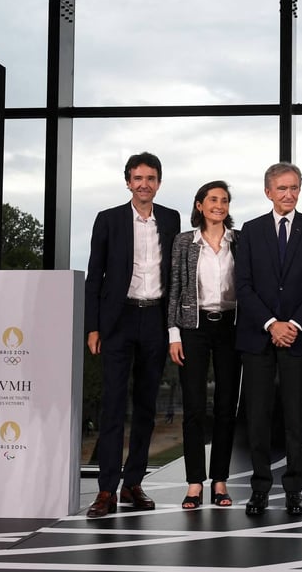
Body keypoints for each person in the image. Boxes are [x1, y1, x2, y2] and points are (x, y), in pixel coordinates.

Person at [84, 152, 182, 518]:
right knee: (112, 405)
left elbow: (176, 272)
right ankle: (106, 489)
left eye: (151, 178)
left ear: (158, 182)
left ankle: (133, 484)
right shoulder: (108, 220)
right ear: (128, 182)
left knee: (145, 406)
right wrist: (93, 325)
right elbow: (96, 276)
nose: (144, 184)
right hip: (118, 320)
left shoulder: (170, 219)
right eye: (138, 178)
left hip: (155, 319)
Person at [234, 162, 302, 516]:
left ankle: (294, 489)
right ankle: (259, 488)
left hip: (299, 338)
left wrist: (293, 324)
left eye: (294, 188)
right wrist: (272, 323)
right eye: (282, 188)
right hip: (258, 337)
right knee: (258, 418)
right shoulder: (250, 230)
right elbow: (242, 284)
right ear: (268, 191)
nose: (289, 194)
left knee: (295, 418)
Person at [167, 180, 242, 509]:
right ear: (199, 205)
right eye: (212, 199)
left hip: (230, 328)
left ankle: (220, 481)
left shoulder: (239, 241)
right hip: (192, 328)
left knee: (226, 408)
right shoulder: (184, 242)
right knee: (195, 408)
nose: (219, 205)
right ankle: (195, 483)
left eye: (224, 200)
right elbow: (175, 288)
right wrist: (173, 333)